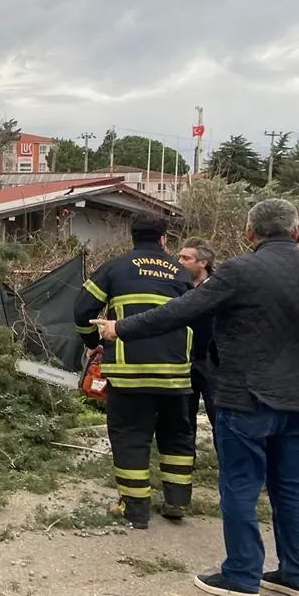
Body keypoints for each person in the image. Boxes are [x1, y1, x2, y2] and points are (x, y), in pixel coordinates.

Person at [92, 199, 299, 596]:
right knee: (292, 489)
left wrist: (119, 328)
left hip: (246, 398)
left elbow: (179, 312)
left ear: (250, 233)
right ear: (296, 232)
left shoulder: (240, 271)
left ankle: (242, 576)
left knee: (241, 486)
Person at [73, 214, 196, 529]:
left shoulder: (115, 268)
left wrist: (92, 343)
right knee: (177, 436)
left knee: (130, 436)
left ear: (133, 236)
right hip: (175, 373)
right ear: (163, 239)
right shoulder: (181, 273)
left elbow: (82, 310)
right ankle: (177, 501)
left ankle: (136, 509)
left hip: (129, 373)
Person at [177, 238, 217, 440]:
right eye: (179, 257)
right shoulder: (176, 286)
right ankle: (186, 455)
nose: (180, 262)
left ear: (203, 263)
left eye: (186, 258)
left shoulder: (218, 287)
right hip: (183, 360)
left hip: (211, 361)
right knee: (184, 418)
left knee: (217, 415)